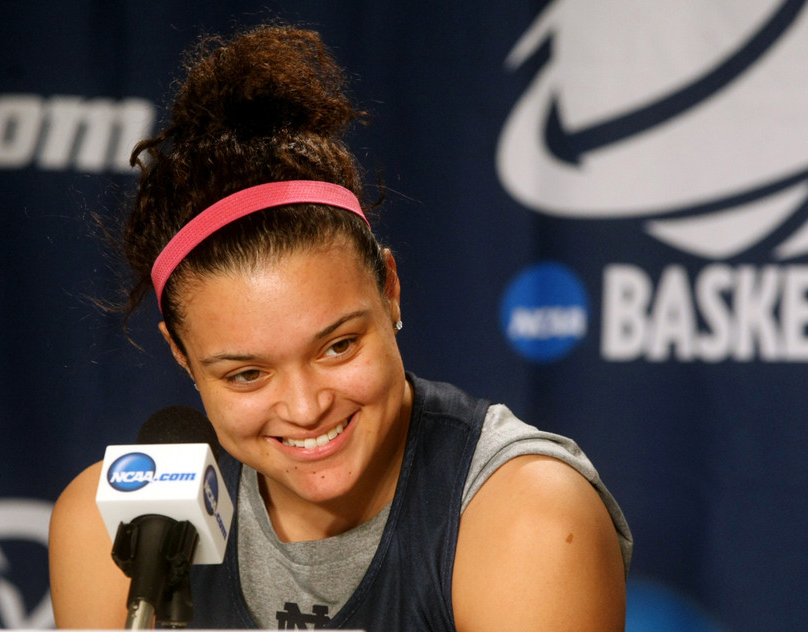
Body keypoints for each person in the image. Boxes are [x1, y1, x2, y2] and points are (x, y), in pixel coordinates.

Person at [48, 23, 632, 631]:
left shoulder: (529, 516)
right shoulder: (109, 537)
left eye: (337, 346)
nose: (305, 408)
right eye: (247, 374)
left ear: (390, 289)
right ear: (182, 355)